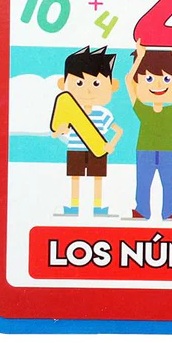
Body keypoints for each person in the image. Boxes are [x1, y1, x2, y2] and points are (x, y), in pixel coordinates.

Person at [52, 46, 123, 217]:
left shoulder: (103, 113)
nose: (88, 90)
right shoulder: (71, 111)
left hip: (98, 150)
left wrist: (111, 145)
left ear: (112, 86)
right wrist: (59, 130)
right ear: (63, 84)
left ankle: (98, 207)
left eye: (96, 83)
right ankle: (74, 206)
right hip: (75, 149)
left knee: (97, 178)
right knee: (75, 178)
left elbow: (118, 131)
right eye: (79, 83)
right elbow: (58, 132)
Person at [125, 39, 172, 220]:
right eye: (149, 79)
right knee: (143, 182)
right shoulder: (142, 110)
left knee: (169, 183)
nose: (159, 85)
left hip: (169, 151)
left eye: (167, 79)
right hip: (145, 150)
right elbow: (129, 81)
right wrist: (140, 56)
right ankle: (141, 210)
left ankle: (170, 211)